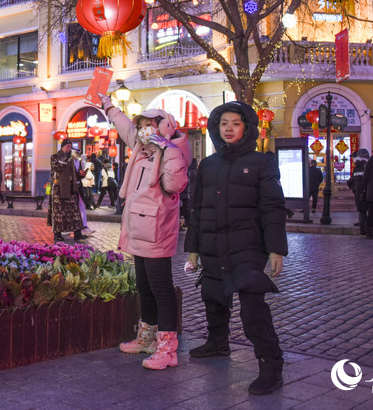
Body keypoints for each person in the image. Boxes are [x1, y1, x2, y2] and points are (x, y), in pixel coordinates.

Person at [185, 101, 287, 395]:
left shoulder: (262, 162)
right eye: (223, 124)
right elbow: (199, 209)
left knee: (253, 308)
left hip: (247, 246)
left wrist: (276, 249)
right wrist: (193, 248)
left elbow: (272, 207)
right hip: (213, 243)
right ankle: (218, 343)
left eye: (235, 123)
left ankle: (271, 365)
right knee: (213, 295)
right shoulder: (208, 164)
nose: (229, 129)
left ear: (247, 128)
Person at [100, 93, 190, 371]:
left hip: (157, 231)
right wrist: (108, 105)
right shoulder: (140, 148)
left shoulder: (172, 152)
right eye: (142, 126)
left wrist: (169, 149)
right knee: (144, 286)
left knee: (161, 289)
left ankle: (167, 348)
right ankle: (148, 337)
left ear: (165, 127)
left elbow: (176, 186)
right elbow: (124, 125)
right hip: (137, 228)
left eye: (151, 125)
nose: (144, 130)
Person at [47, 139, 87, 242]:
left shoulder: (71, 159)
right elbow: (57, 168)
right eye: (67, 147)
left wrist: (80, 174)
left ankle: (78, 234)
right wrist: (65, 158)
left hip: (71, 189)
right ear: (62, 147)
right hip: (59, 189)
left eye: (70, 147)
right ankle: (57, 235)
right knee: (59, 213)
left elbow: (73, 173)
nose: (69, 149)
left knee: (75, 212)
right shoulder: (55, 157)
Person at [347, 149, 369, 236]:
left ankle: (362, 230)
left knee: (361, 211)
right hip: (367, 192)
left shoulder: (356, 169)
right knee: (369, 211)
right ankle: (369, 228)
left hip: (358, 194)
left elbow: (350, 181)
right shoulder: (366, 168)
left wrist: (354, 188)